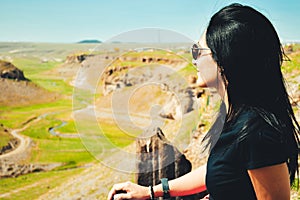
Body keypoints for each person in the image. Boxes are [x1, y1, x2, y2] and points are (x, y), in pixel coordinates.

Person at [107, 3, 299, 200]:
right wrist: (152, 191)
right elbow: (222, 166)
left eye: (197, 51)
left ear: (224, 60)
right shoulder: (238, 118)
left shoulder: (256, 132)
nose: (194, 60)